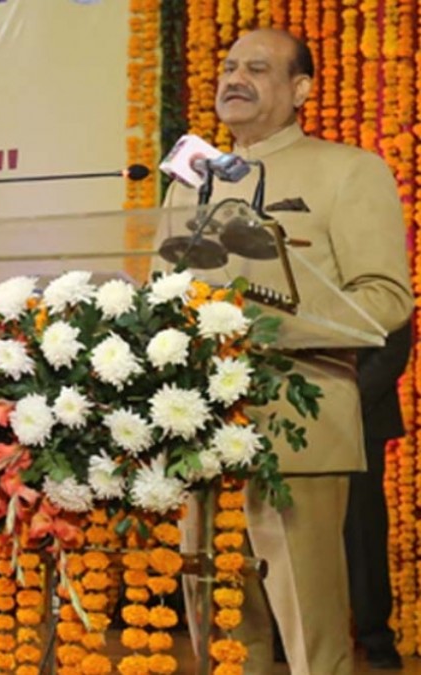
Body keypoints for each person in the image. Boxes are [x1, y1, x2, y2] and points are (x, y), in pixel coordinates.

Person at [167, 28, 414, 674]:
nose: (234, 79)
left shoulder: (348, 170)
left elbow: (386, 298)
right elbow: (162, 294)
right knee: (221, 627)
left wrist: (264, 322)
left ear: (301, 89)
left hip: (299, 423)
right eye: (228, 67)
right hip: (197, 427)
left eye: (257, 68)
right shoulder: (189, 184)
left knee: (309, 628)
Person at [345, 323, 412, 670]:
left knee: (363, 529)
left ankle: (375, 635)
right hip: (305, 420)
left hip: (363, 418)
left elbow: (393, 349)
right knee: (304, 533)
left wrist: (345, 401)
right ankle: (292, 635)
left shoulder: (385, 290)